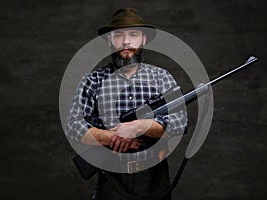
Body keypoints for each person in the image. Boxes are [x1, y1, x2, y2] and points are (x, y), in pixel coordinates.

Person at [65, 8, 188, 200]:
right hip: (111, 181)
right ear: (109, 40)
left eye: (133, 34)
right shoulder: (92, 81)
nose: (126, 42)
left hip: (153, 180)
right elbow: (73, 126)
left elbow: (180, 123)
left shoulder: (162, 78)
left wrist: (138, 126)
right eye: (118, 35)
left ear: (143, 39)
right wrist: (113, 136)